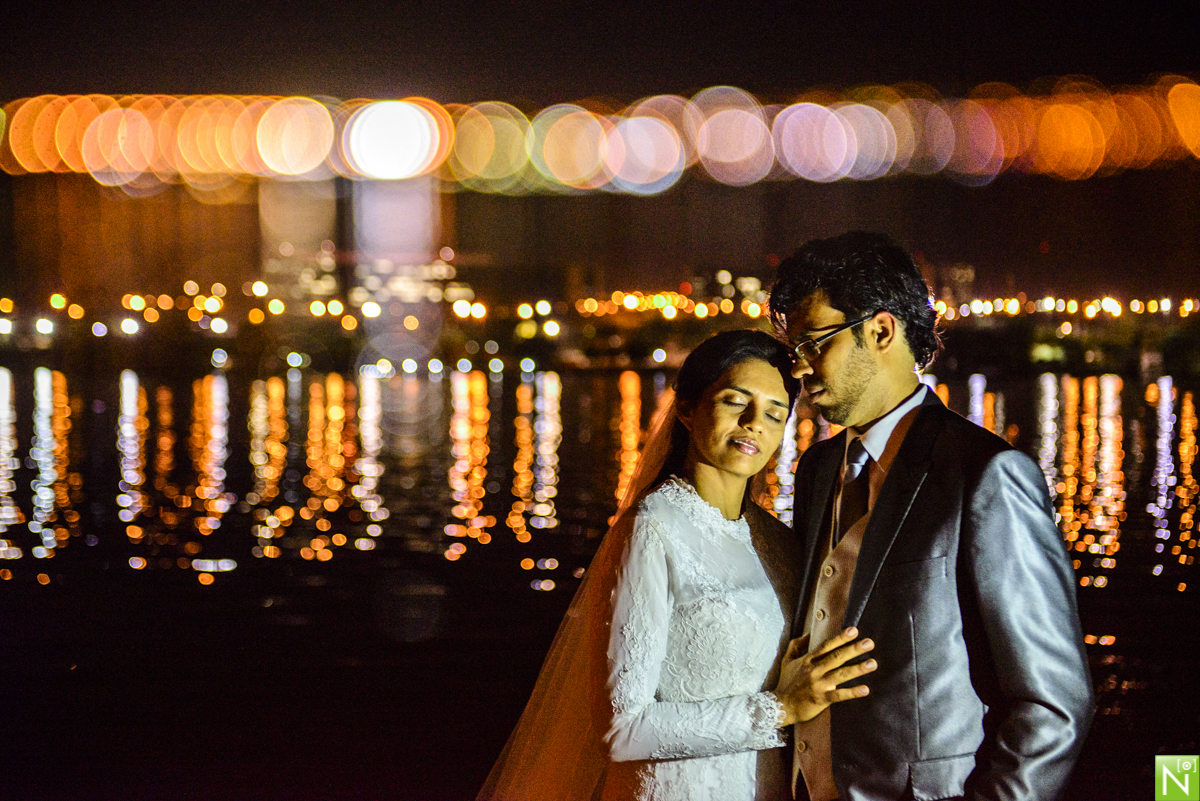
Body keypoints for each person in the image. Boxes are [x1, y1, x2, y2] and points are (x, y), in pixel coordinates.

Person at [479, 329, 877, 801]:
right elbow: (621, 729)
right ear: (687, 409)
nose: (754, 423)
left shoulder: (778, 541)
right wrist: (780, 709)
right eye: (735, 402)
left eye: (775, 413)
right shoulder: (653, 528)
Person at [768, 231, 1095, 801]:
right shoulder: (818, 469)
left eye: (814, 344)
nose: (799, 369)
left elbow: (1053, 704)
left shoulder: (985, 475)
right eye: (795, 350)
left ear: (881, 331)